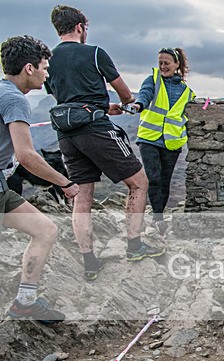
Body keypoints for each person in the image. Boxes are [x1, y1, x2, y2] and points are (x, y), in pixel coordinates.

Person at [45, 5, 164, 282]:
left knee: (82, 196)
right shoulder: (95, 52)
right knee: (139, 182)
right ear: (80, 27)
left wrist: (97, 105)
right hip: (96, 129)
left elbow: (65, 97)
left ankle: (90, 262)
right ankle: (134, 246)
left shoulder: (48, 59)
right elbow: (125, 94)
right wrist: (122, 105)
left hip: (66, 133)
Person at [1, 35, 80, 324]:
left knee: (45, 229)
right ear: (29, 68)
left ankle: (25, 302)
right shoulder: (14, 100)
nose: (47, 74)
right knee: (45, 230)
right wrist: (65, 183)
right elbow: (27, 156)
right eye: (45, 68)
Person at [131, 47, 195, 236]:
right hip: (149, 139)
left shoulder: (187, 92)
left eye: (166, 63)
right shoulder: (152, 80)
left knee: (165, 180)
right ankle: (157, 218)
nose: (162, 66)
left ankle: (159, 215)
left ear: (176, 65)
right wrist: (138, 105)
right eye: (160, 63)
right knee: (154, 178)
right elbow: (145, 94)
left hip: (171, 142)